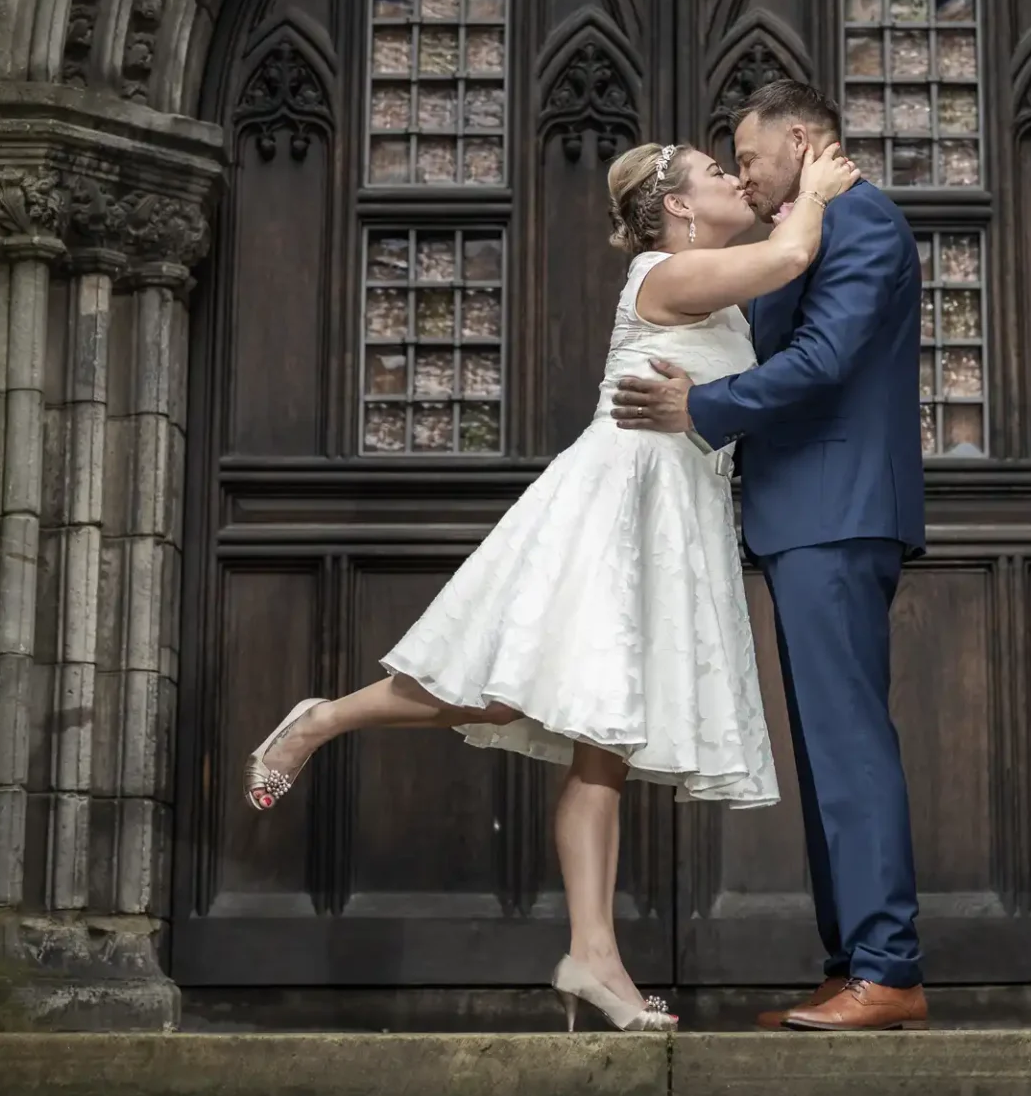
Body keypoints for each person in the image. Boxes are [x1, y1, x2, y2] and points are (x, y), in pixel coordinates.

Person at [242, 136, 862, 1033]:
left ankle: (592, 958)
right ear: (680, 207)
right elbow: (793, 254)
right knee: (509, 695)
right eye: (718, 172)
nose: (735, 179)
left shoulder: (716, 284)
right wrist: (817, 186)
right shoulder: (660, 273)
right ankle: (323, 718)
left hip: (671, 515)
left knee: (599, 738)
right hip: (614, 504)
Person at [612, 79, 929, 1032]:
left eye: (748, 159)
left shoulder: (862, 219)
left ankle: (889, 969)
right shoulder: (810, 224)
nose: (743, 178)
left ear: (801, 141)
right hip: (806, 515)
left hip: (838, 510)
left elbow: (825, 358)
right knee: (830, 749)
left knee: (850, 744)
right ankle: (853, 963)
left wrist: (699, 412)